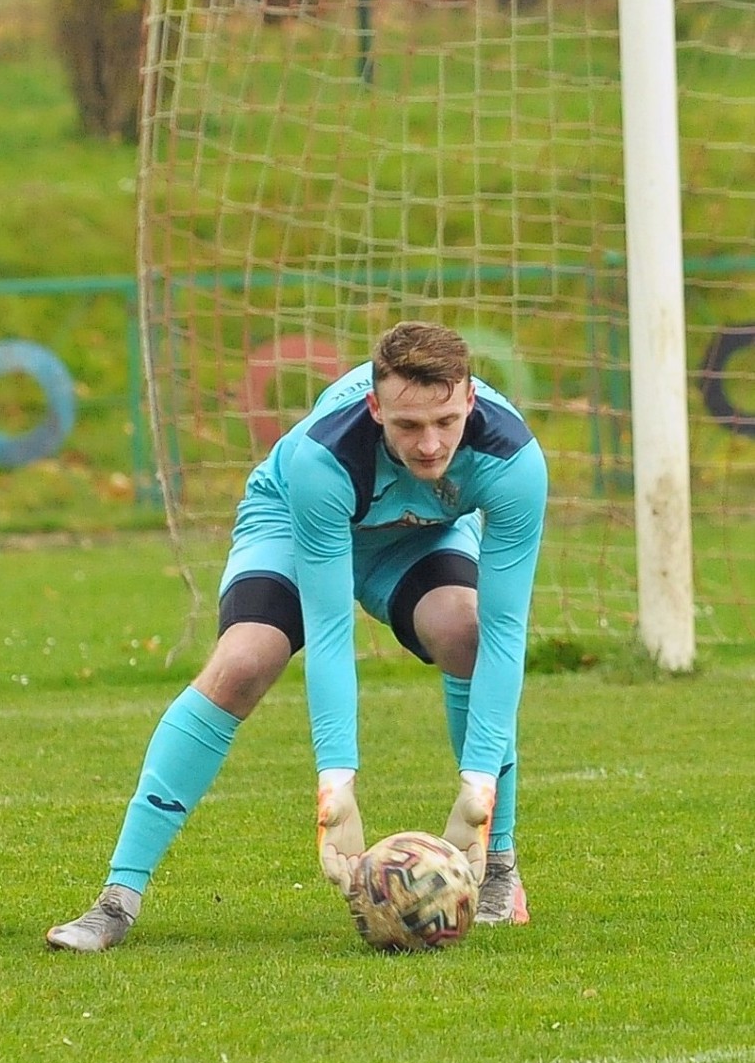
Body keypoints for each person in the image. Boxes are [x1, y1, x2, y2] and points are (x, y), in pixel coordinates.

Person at [46, 321, 548, 952]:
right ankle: (117, 899)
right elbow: (332, 629)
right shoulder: (323, 457)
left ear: (470, 400)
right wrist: (336, 785)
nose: (429, 445)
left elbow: (506, 632)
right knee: (243, 663)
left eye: (445, 422)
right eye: (407, 426)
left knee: (466, 635)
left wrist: (479, 785)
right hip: (293, 523)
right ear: (374, 406)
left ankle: (496, 866)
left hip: (420, 537)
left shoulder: (513, 461)